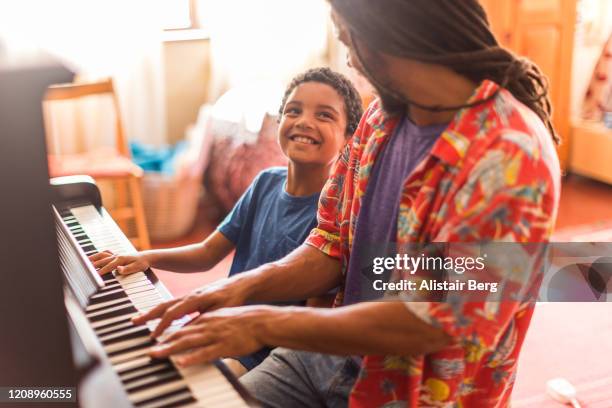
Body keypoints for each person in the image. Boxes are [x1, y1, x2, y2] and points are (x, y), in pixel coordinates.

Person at [129, 1, 561, 406]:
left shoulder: (510, 152)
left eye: (347, 36)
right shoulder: (379, 120)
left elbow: (429, 318)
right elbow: (332, 243)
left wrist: (261, 322)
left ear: (386, 35)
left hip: (416, 391)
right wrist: (240, 286)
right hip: (327, 354)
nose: (349, 58)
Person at [90, 67, 364, 375]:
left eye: (324, 115)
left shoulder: (334, 216)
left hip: (266, 355)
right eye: (293, 110)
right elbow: (207, 253)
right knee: (138, 358)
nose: (304, 121)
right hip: (224, 327)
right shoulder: (265, 183)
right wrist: (145, 257)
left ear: (350, 141)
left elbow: (311, 326)